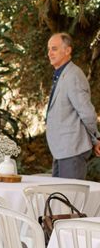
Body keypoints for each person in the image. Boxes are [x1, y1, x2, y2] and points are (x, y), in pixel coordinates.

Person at [46, 32, 100, 179]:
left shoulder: (73, 76)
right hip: (61, 151)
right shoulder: (61, 75)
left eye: (54, 48)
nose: (50, 53)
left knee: (69, 199)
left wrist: (96, 138)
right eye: (49, 49)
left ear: (67, 50)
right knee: (58, 199)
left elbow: (87, 113)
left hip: (72, 150)